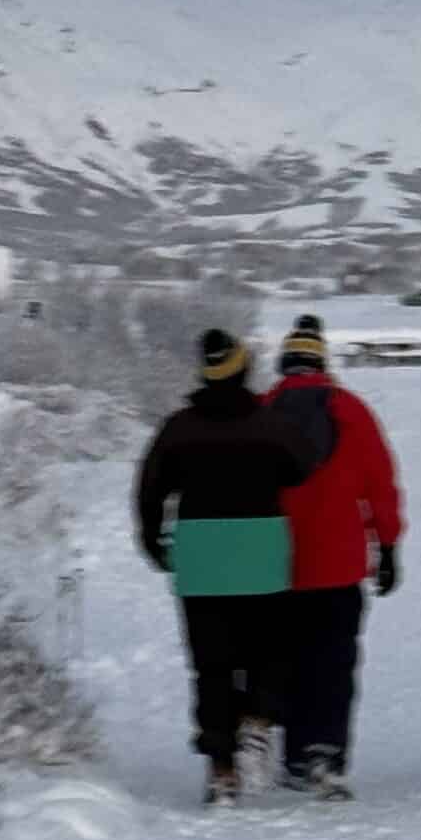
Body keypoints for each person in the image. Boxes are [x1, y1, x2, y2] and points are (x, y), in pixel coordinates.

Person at [136, 328, 313, 805]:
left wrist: (153, 541)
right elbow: (303, 467)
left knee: (211, 666)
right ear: (242, 369)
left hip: (201, 560)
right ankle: (257, 718)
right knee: (268, 653)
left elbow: (150, 488)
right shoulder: (269, 423)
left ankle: (222, 771)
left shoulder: (179, 427)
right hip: (261, 555)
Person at [265, 314, 404, 798]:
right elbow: (380, 485)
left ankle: (294, 758)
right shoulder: (353, 411)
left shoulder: (263, 411)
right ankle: (329, 756)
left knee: (287, 661)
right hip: (340, 564)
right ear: (323, 362)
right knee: (335, 663)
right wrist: (388, 546)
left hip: (276, 564)